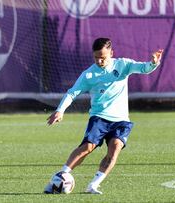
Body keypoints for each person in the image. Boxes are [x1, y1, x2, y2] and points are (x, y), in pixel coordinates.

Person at [44, 37, 163, 194]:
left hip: (121, 120)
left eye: (103, 57)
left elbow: (143, 68)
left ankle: (93, 185)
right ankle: (62, 175)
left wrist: (153, 63)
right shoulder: (88, 75)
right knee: (87, 147)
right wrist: (60, 110)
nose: (99, 61)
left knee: (114, 150)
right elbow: (72, 93)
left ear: (111, 53)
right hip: (99, 117)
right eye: (96, 57)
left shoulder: (123, 64)